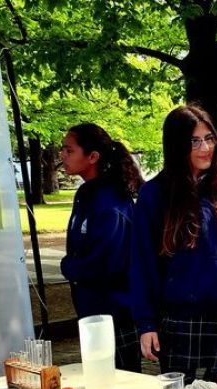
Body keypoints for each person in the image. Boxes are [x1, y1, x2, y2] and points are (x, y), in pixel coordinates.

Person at [129, 105, 217, 383]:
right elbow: (142, 262)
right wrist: (146, 323)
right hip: (180, 319)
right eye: (195, 141)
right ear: (176, 144)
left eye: (209, 138)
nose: (205, 147)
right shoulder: (155, 194)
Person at [59, 122, 143, 372]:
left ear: (93, 156)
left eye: (70, 150)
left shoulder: (112, 201)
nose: (63, 155)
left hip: (115, 313)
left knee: (121, 384)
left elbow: (108, 260)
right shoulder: (85, 193)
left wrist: (70, 266)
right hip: (90, 309)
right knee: (97, 379)